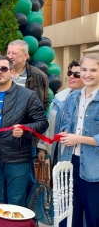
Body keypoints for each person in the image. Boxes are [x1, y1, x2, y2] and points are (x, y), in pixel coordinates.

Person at [0, 55, 48, 207]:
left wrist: (26, 129)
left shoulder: (28, 95)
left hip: (17, 158)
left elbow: (42, 122)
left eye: (3, 68)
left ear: (12, 72)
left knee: (16, 202)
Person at [56, 53, 99, 227]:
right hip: (69, 161)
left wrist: (77, 138)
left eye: (93, 70)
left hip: (93, 166)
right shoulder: (72, 97)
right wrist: (64, 133)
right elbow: (64, 124)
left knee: (93, 217)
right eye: (84, 70)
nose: (87, 74)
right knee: (68, 217)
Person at [38, 59, 83, 164]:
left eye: (77, 74)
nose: (71, 76)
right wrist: (43, 148)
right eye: (70, 73)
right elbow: (48, 124)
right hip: (56, 153)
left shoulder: (91, 102)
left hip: (78, 157)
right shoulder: (59, 98)